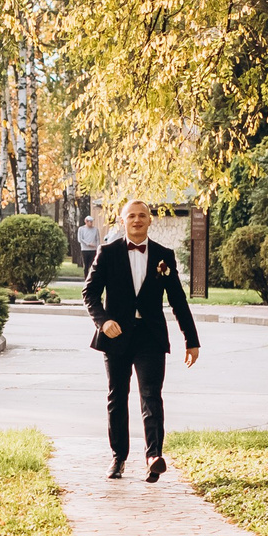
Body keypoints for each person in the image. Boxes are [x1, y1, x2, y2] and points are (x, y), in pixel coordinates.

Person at [82, 198, 200, 482]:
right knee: (117, 397)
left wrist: (191, 340)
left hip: (150, 337)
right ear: (123, 221)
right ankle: (118, 458)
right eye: (131, 216)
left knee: (151, 397)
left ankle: (153, 456)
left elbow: (178, 301)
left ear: (150, 221)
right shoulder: (107, 253)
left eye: (142, 216)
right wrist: (103, 321)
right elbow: (89, 293)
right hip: (116, 336)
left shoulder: (163, 255)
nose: (137, 220)